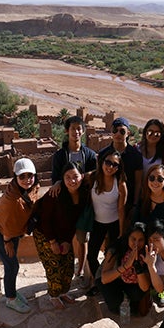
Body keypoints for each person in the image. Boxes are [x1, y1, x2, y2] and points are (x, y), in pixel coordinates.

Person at [0, 158, 40, 314]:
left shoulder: (30, 189)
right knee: (12, 265)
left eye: (30, 175)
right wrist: (7, 241)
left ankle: (12, 293)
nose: (27, 180)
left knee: (12, 264)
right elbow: (8, 223)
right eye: (22, 176)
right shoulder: (13, 201)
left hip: (11, 231)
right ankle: (10, 299)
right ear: (15, 178)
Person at [33, 162, 89, 309]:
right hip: (45, 234)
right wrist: (52, 242)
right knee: (55, 265)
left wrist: (66, 241)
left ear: (82, 176)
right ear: (62, 179)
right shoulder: (55, 194)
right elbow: (45, 220)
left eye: (75, 176)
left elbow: (74, 222)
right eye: (67, 177)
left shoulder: (83, 194)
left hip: (65, 234)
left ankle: (63, 292)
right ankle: (53, 295)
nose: (72, 181)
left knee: (68, 264)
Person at [51, 116, 98, 281]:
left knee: (83, 238)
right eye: (73, 129)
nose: (76, 132)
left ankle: (82, 269)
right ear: (67, 131)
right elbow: (55, 177)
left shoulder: (90, 155)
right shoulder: (60, 156)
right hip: (66, 204)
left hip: (84, 204)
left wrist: (88, 175)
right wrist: (57, 182)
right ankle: (66, 271)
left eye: (79, 129)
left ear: (83, 131)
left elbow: (95, 175)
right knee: (65, 239)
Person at [87, 149, 128, 289]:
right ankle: (100, 283)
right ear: (102, 161)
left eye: (115, 165)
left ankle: (110, 284)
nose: (110, 167)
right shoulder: (92, 178)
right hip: (97, 224)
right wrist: (56, 184)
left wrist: (121, 233)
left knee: (111, 257)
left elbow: (121, 210)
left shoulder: (120, 184)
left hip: (114, 224)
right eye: (108, 162)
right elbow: (74, 178)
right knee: (91, 257)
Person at [138, 164, 164, 307]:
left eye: (160, 179)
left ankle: (160, 292)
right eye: (152, 178)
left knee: (160, 268)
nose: (155, 182)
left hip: (160, 245)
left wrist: (163, 251)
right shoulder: (145, 196)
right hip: (144, 240)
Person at [99, 222, 151, 316]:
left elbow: (144, 287)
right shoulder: (116, 249)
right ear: (127, 237)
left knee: (138, 295)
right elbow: (104, 279)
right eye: (133, 239)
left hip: (131, 282)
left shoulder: (146, 253)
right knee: (114, 302)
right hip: (111, 278)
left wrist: (137, 266)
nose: (136, 244)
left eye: (141, 240)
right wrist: (126, 266)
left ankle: (130, 299)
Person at [99, 117, 142, 223]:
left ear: (128, 133)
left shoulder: (135, 155)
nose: (118, 134)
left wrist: (135, 204)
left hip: (128, 203)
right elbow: (99, 177)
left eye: (122, 131)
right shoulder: (103, 154)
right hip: (107, 203)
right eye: (115, 130)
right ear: (111, 132)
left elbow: (138, 182)